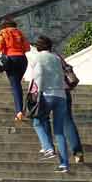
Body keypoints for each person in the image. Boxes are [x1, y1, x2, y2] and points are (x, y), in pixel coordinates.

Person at [25, 36, 72, 173]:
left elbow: (38, 75)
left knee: (37, 121)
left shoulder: (38, 58)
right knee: (59, 131)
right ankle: (64, 164)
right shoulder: (56, 58)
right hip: (61, 95)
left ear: (38, 47)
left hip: (46, 94)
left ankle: (48, 148)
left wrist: (35, 92)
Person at [0, 17, 31, 120]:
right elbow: (27, 48)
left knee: (15, 85)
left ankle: (19, 111)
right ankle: (21, 109)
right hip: (23, 59)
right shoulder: (19, 33)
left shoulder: (3, 33)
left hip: (11, 59)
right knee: (17, 84)